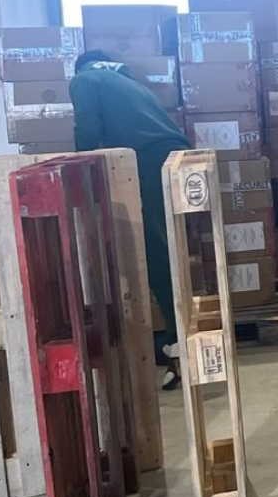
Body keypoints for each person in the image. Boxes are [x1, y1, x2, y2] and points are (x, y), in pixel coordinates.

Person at [70, 50, 192, 389]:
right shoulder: (130, 84)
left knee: (154, 251)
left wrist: (79, 175)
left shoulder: (84, 79)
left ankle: (179, 343)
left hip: (148, 160)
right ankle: (178, 338)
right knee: (168, 246)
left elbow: (87, 129)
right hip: (176, 158)